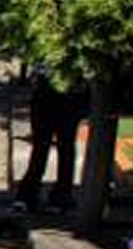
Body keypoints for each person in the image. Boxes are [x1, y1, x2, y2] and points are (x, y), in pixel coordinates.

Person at [13, 66, 83, 214]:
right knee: (41, 148)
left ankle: (60, 197)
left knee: (65, 148)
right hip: (47, 94)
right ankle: (28, 196)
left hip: (69, 95)